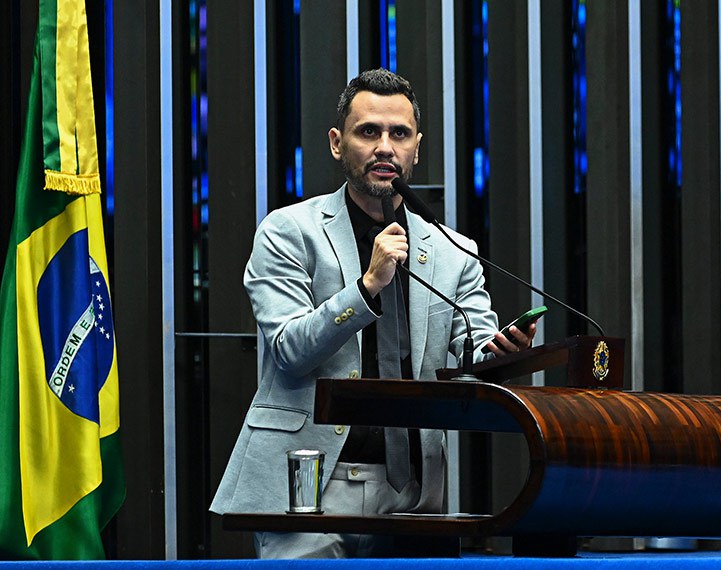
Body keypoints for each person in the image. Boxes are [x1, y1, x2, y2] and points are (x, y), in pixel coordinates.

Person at [210, 68, 536, 559]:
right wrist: (366, 287)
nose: (385, 146)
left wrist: (499, 356)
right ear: (338, 143)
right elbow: (289, 351)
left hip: (414, 494)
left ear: (417, 148)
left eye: (399, 134)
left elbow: (472, 354)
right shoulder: (289, 232)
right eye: (369, 132)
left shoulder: (454, 251)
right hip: (310, 485)